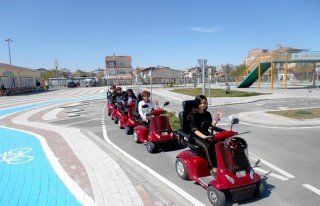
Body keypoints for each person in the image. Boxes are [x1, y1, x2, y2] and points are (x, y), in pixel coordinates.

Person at [188, 95, 224, 177]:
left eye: (204, 103)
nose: (203, 105)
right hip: (195, 136)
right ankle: (213, 167)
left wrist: (217, 118)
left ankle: (222, 163)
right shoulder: (193, 115)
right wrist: (204, 137)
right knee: (207, 146)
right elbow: (195, 130)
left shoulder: (207, 114)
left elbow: (211, 126)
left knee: (220, 144)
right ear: (197, 104)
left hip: (206, 134)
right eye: (200, 103)